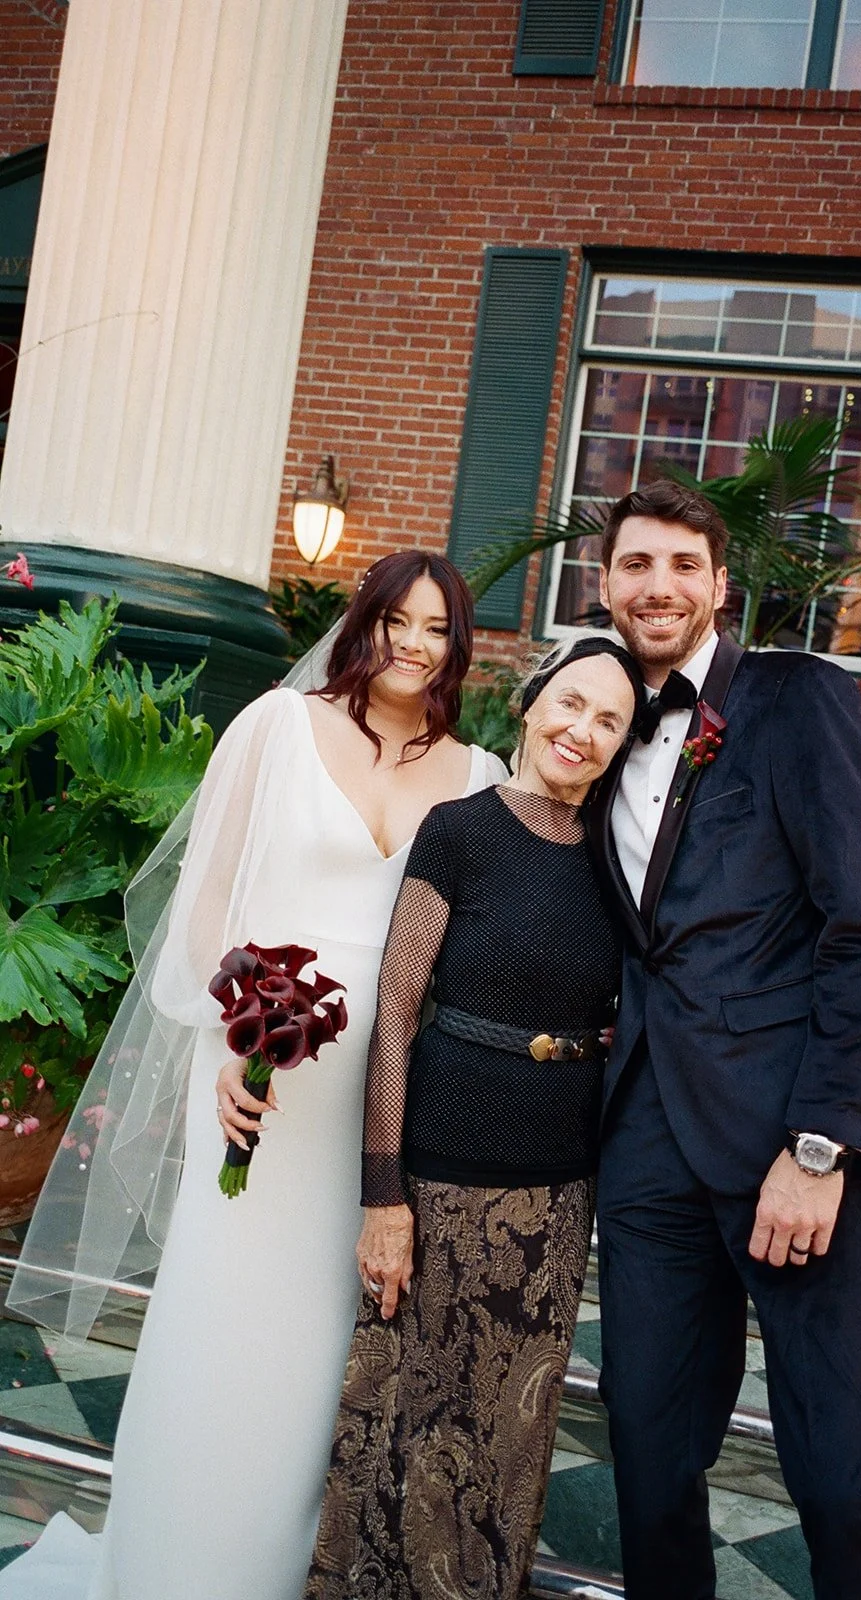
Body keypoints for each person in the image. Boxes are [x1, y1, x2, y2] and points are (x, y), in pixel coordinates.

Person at [0, 552, 508, 1600]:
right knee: (225, 1319)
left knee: (324, 1341)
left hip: (380, 1105)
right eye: (395, 622)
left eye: (437, 629)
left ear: (460, 646)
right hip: (257, 1076)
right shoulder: (274, 729)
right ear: (361, 621)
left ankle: (278, 1574)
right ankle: (172, 1567)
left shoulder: (481, 776)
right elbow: (203, 904)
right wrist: (237, 1036)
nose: (413, 646)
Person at [583, 477, 861, 1600]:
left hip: (795, 1138)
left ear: (719, 588)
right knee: (643, 1449)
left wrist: (822, 1143)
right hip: (644, 1136)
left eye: (683, 566)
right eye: (636, 564)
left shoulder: (796, 698)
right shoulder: (582, 723)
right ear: (603, 584)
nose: (658, 586)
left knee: (834, 1473)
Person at [302, 637, 645, 1600]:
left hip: (555, 1192)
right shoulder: (458, 831)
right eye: (570, 704)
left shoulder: (623, 865)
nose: (582, 731)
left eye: (609, 721)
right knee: (402, 1425)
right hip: (441, 1177)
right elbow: (396, 1010)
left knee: (509, 1437)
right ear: (533, 702)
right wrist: (384, 1196)